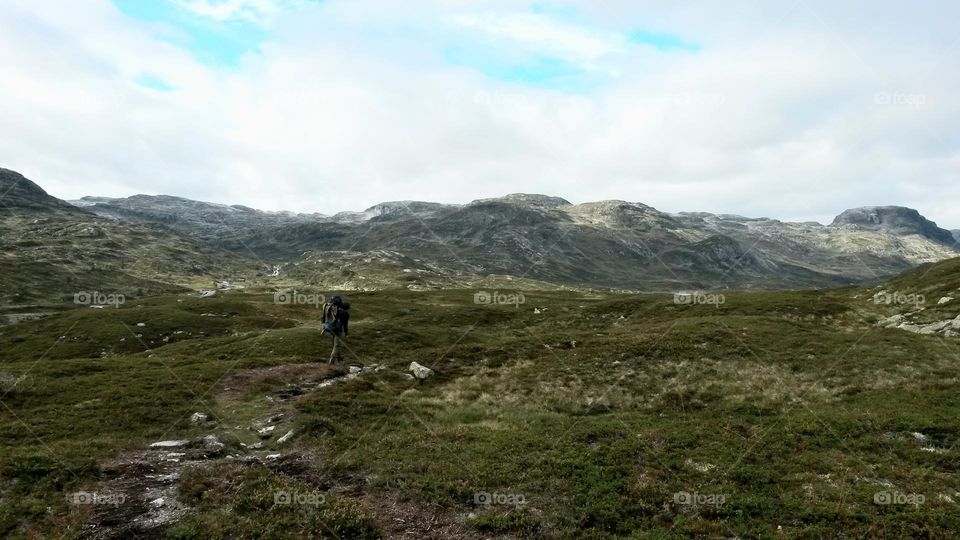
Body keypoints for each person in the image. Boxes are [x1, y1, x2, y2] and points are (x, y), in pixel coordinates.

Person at [321, 295, 350, 363]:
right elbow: (345, 325)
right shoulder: (345, 313)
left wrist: (324, 327)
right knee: (336, 345)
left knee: (335, 342)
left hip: (329, 328)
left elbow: (324, 318)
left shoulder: (330, 308)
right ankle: (331, 362)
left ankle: (339, 358)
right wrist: (346, 333)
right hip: (337, 329)